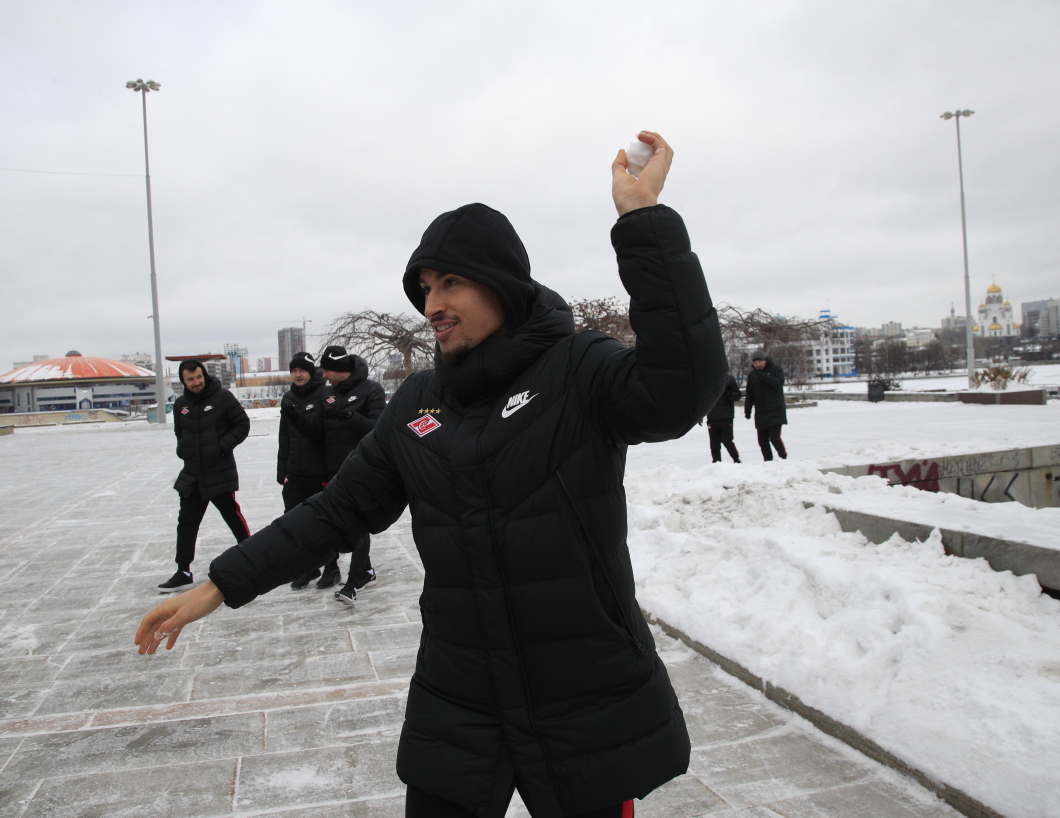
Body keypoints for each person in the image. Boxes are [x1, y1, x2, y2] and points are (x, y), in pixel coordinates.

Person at [136, 131, 727, 818]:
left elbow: (683, 386)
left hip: (581, 690)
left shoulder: (578, 368)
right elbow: (336, 511)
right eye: (424, 286)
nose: (432, 304)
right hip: (461, 693)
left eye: (450, 281)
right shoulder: (419, 401)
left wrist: (642, 222)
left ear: (503, 285)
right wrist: (222, 582)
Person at [158, 359, 251, 591]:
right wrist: (184, 450)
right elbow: (179, 433)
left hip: (218, 470)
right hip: (192, 474)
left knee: (232, 515)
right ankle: (183, 570)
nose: (196, 382)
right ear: (184, 381)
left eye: (199, 377)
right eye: (190, 379)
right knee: (187, 522)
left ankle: (252, 558)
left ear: (205, 376)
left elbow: (242, 424)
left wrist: (221, 446)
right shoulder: (181, 405)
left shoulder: (222, 398)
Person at [316, 344, 386, 605]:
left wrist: (347, 416)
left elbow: (378, 428)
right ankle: (364, 570)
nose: (324, 375)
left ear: (339, 369)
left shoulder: (372, 390)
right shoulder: (326, 393)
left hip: (363, 467)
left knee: (357, 521)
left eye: (327, 370)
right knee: (343, 522)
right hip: (333, 469)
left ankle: (357, 577)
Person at [277, 351, 341, 589]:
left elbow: (328, 436)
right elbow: (285, 438)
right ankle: (308, 567)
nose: (297, 374)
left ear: (311, 371)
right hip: (294, 472)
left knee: (323, 523)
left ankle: (331, 567)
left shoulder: (325, 394)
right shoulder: (288, 397)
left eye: (301, 370)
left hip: (319, 472)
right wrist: (282, 470)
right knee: (294, 523)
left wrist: (331, 472)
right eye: (293, 370)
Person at [743, 350, 787, 461]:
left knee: (774, 438)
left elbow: (778, 383)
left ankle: (783, 457)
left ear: (765, 361)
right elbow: (749, 394)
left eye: (760, 362)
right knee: (762, 441)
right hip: (761, 413)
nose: (758, 365)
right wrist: (747, 409)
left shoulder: (776, 370)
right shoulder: (752, 375)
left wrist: (765, 376)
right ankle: (768, 461)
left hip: (776, 412)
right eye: (755, 363)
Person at [705, 374, 742, 463]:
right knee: (714, 442)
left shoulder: (728, 379)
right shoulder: (707, 380)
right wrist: (700, 414)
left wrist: (729, 393)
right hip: (712, 417)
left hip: (726, 416)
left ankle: (736, 459)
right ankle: (716, 462)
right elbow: (703, 398)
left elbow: (737, 395)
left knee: (727, 440)